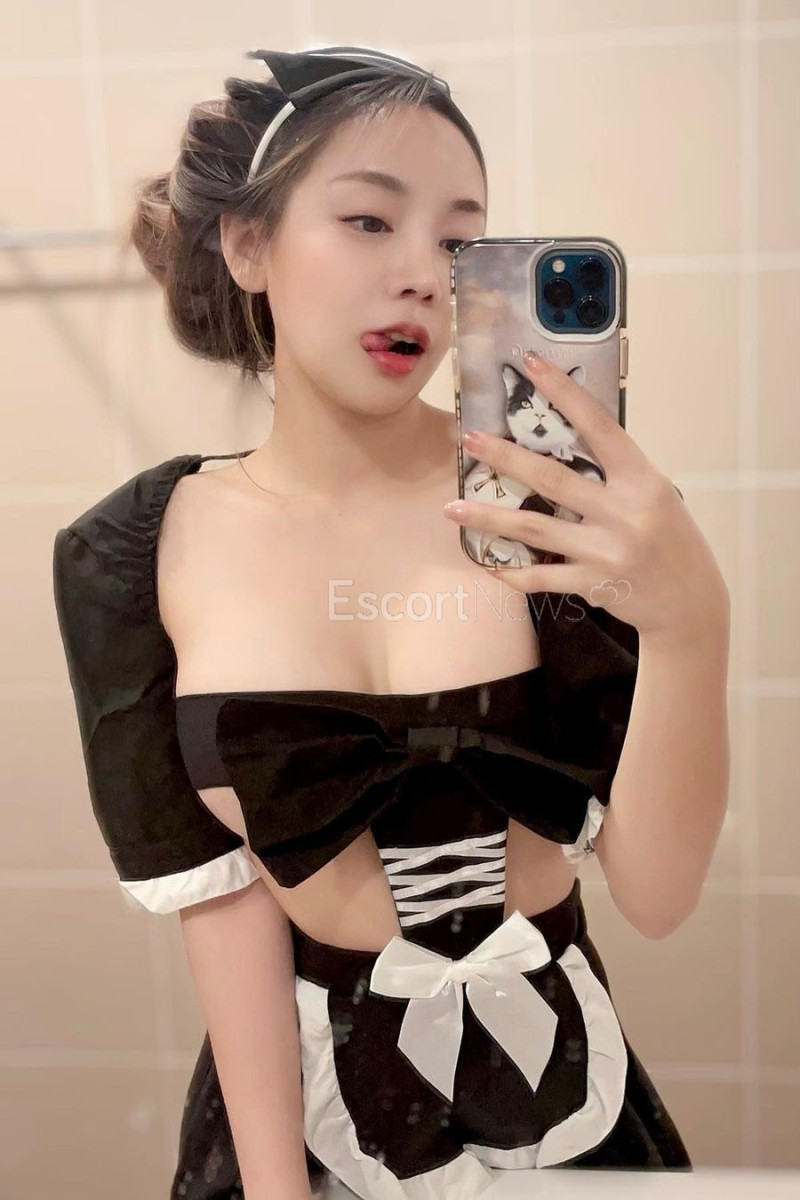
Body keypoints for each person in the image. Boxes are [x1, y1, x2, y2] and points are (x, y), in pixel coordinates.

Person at [51, 46, 697, 1200]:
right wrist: (275, 1188)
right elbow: (226, 907)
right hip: (298, 1121)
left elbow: (656, 895)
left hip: (568, 1098)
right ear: (248, 246)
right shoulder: (133, 554)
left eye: (458, 242)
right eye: (367, 222)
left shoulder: (551, 505)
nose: (421, 279)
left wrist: (696, 622)